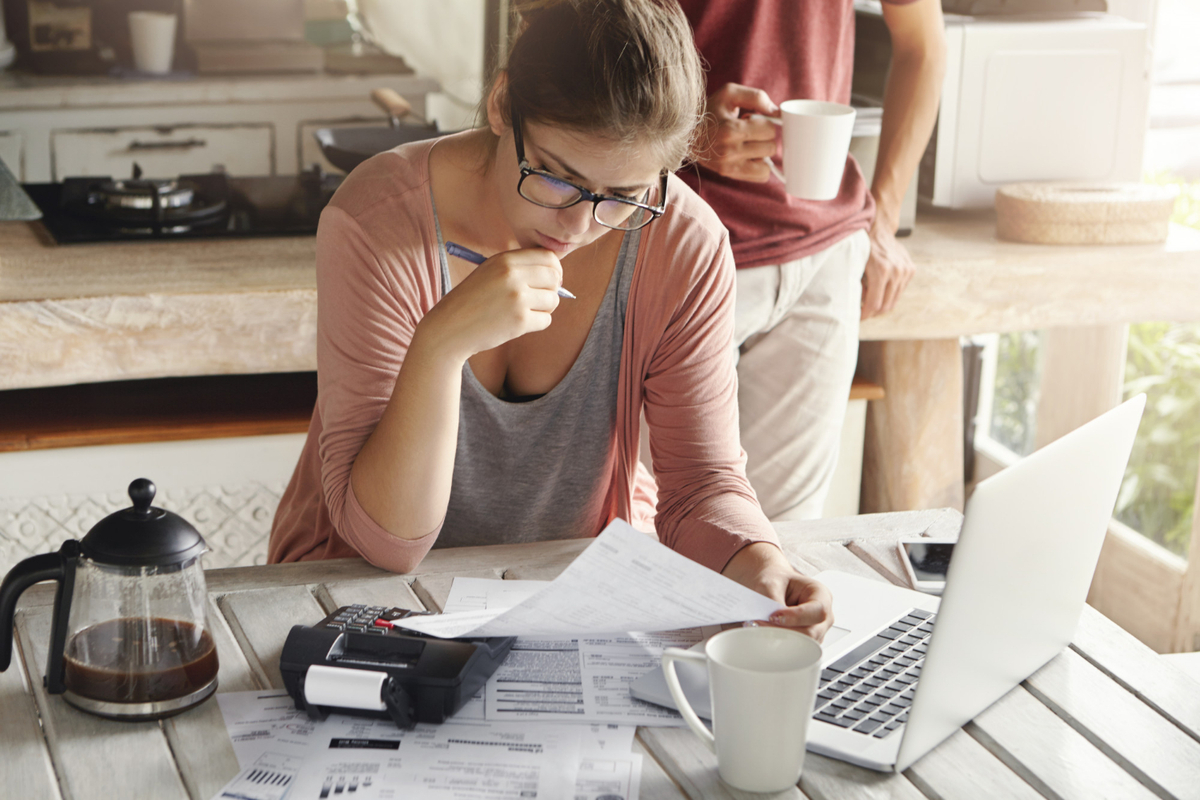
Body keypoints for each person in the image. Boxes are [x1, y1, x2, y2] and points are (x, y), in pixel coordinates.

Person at [269, 0, 833, 641]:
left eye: (622, 197)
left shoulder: (682, 243)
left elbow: (701, 482)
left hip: (571, 600)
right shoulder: (376, 220)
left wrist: (760, 564)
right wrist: (440, 345)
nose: (578, 225)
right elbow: (386, 541)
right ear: (504, 103)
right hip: (351, 596)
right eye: (558, 177)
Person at [675, 0, 946, 520]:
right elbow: (567, 44)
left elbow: (923, 44)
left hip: (823, 260)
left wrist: (882, 221)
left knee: (787, 552)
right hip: (679, 249)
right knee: (664, 531)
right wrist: (682, 128)